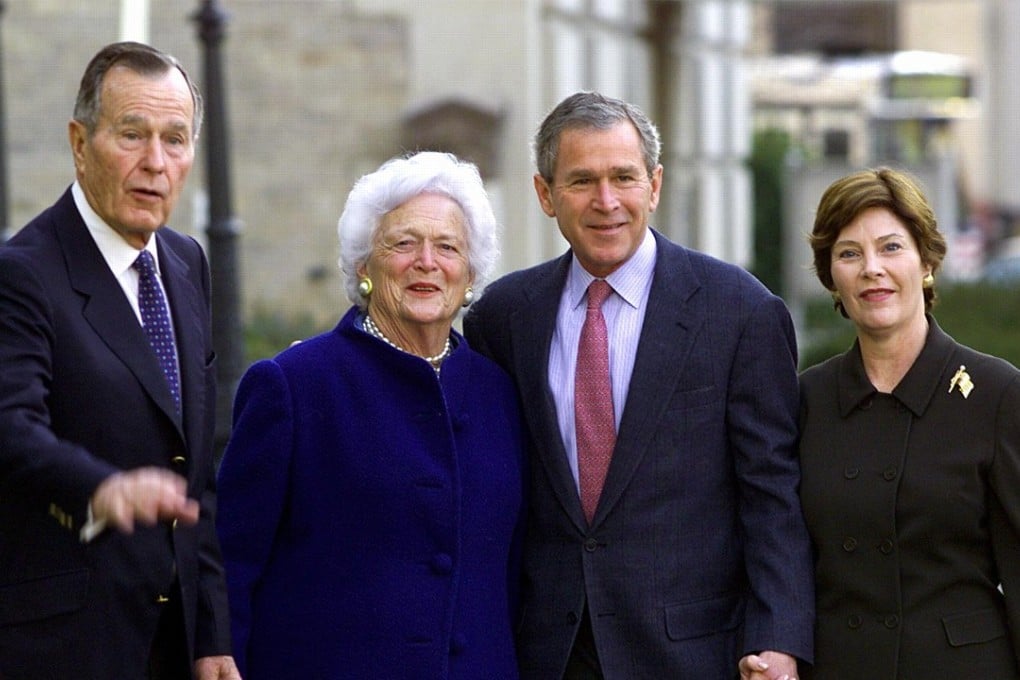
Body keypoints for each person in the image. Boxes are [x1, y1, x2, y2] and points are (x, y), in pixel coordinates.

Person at [463, 90, 814, 679]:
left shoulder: (741, 312)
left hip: (690, 652)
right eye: (582, 181)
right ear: (545, 195)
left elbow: (772, 494)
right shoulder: (501, 318)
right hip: (547, 652)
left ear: (653, 186)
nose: (606, 202)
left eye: (624, 177)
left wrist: (778, 638)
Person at [215, 151, 527, 679]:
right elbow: (230, 562)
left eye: (448, 246)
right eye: (403, 243)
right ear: (364, 265)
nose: (427, 261)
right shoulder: (294, 385)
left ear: (470, 273)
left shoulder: (500, 393)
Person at [0, 42, 239, 679]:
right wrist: (103, 489)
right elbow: (10, 428)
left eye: (176, 139)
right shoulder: (23, 274)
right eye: (132, 135)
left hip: (173, 641)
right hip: (67, 645)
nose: (155, 163)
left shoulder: (186, 262)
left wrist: (212, 633)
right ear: (81, 143)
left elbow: (197, 467)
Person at [798, 166, 1020, 678]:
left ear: (927, 261)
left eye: (891, 247)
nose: (872, 268)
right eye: (849, 253)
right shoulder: (805, 400)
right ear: (831, 275)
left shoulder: (996, 394)